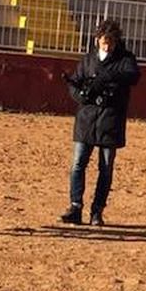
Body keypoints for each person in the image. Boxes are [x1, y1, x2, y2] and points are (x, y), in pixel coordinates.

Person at [60, 19, 141, 227]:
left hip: (110, 120)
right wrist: (81, 95)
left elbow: (133, 76)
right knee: (78, 164)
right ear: (97, 40)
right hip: (87, 118)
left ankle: (97, 211)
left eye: (111, 42)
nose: (107, 46)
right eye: (104, 42)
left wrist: (104, 77)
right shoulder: (87, 60)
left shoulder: (125, 59)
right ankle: (75, 206)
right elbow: (74, 85)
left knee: (105, 168)